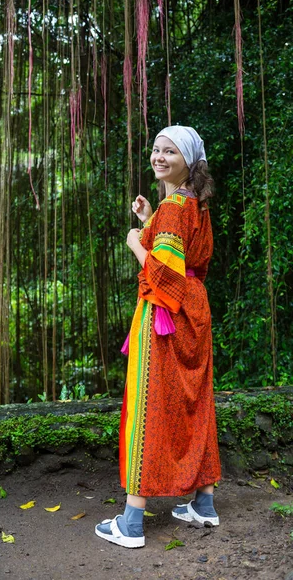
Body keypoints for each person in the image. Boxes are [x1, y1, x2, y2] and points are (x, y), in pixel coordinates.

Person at [95, 125, 222, 549]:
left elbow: (164, 276)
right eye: (156, 150)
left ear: (188, 161)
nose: (159, 157)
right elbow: (188, 264)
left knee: (149, 406)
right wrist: (150, 220)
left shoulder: (175, 209)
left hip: (165, 315)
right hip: (195, 311)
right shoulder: (194, 205)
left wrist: (135, 240)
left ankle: (131, 522)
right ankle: (203, 506)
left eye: (170, 152)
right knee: (194, 403)